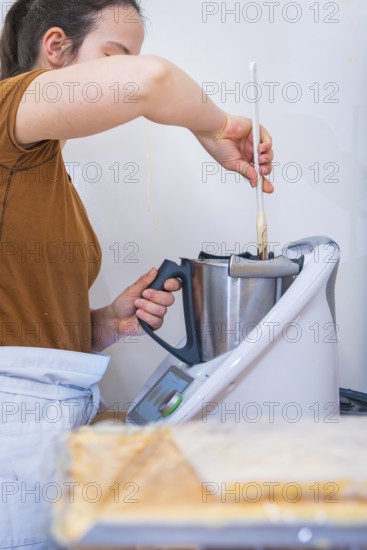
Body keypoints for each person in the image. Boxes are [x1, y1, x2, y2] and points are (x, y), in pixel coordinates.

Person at [0, 0, 274, 547]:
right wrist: (216, 127)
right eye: (113, 56)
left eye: (127, 58)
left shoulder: (39, 165)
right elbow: (151, 82)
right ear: (55, 49)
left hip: (50, 409)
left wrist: (103, 323)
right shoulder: (6, 113)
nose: (126, 68)